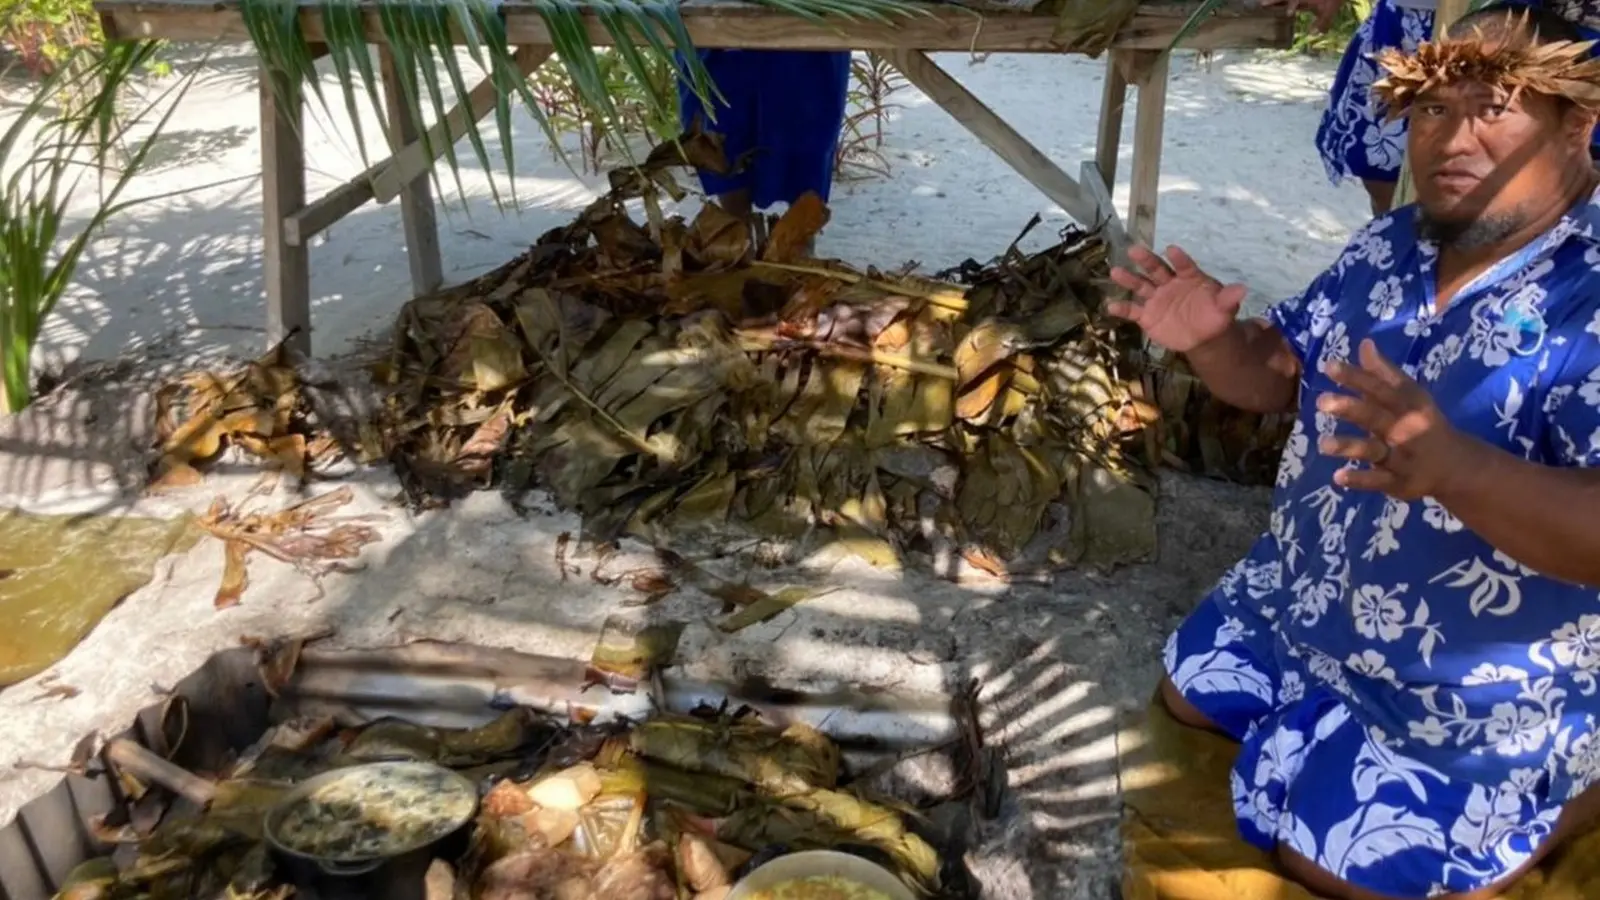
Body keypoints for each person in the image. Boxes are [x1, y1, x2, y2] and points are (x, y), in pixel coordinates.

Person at [1107, 7, 1600, 899]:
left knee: (1331, 861)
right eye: (1429, 113)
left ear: (1577, 125)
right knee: (1192, 691)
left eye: (1491, 108)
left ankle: (1573, 785)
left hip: (1475, 682)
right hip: (1304, 603)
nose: (1453, 139)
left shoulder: (1591, 296)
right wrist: (1212, 343)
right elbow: (1280, 374)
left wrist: (1460, 470)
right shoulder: (1386, 245)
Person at [1295, 0, 1600, 216]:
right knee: (1381, 166)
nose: (1456, 142)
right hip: (1429, 16)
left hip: (1565, 39)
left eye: (1493, 110)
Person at [676, 50, 852, 231]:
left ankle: (800, 238)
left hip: (808, 41)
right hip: (717, 37)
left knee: (809, 128)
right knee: (721, 135)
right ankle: (736, 234)